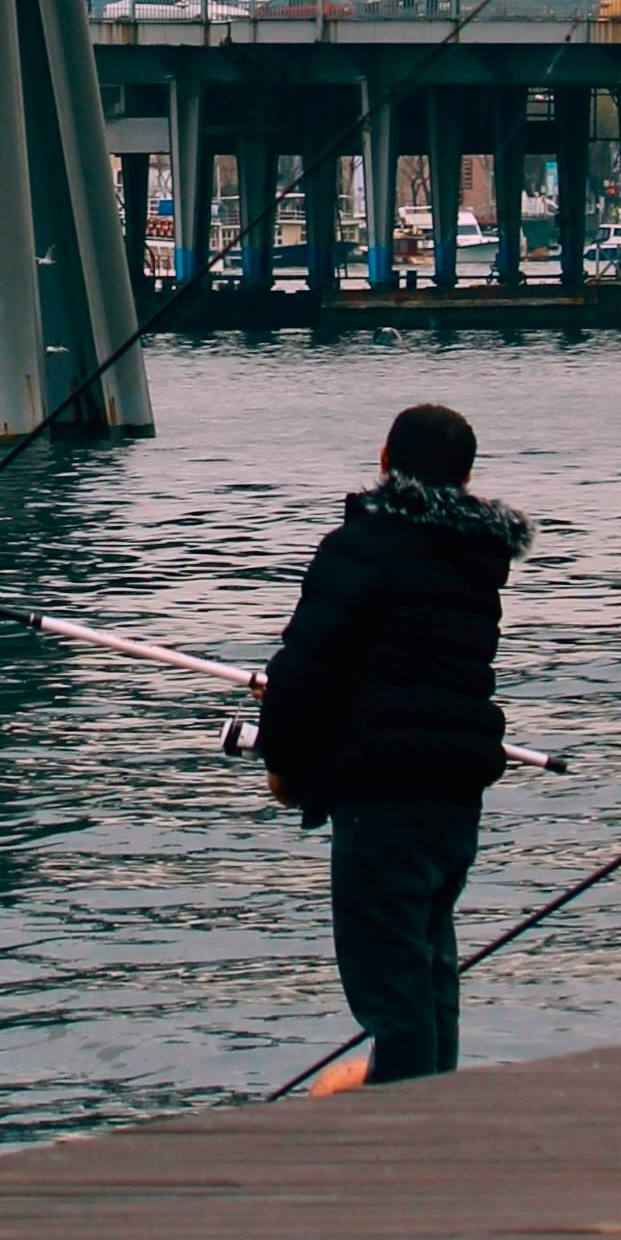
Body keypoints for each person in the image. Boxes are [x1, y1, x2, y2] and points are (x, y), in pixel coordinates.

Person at [257, 397, 531, 1087]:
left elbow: (304, 666)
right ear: (466, 476)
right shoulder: (477, 560)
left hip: (380, 795)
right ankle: (435, 1108)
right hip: (455, 794)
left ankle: (407, 1141)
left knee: (389, 981)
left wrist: (283, 764)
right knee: (429, 965)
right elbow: (402, 662)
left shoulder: (362, 544)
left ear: (383, 463)